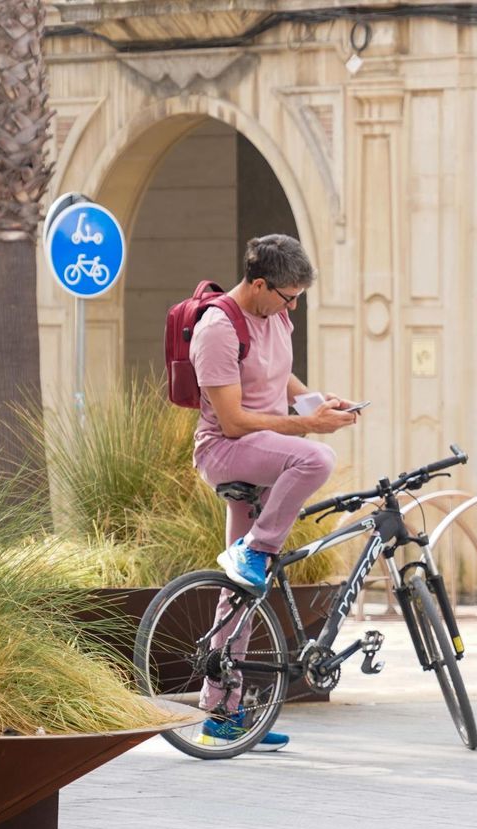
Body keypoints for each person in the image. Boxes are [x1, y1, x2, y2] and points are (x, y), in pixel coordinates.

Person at [191, 234, 358, 751]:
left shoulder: (275, 314)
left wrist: (314, 401)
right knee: (317, 457)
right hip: (226, 450)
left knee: (242, 593)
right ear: (258, 284)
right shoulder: (218, 328)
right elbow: (235, 421)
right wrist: (310, 427)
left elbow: (279, 377)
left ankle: (223, 710)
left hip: (264, 448)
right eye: (288, 296)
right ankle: (257, 549)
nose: (294, 306)